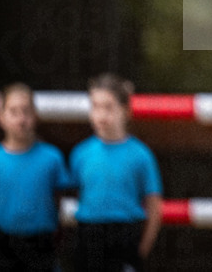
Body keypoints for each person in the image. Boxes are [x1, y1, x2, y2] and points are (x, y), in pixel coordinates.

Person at [0, 82, 72, 271]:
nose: (21, 119)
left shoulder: (52, 158)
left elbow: (57, 198)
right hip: (2, 245)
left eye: (26, 111)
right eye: (13, 111)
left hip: (41, 243)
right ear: (0, 117)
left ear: (35, 115)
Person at [69, 73, 162, 272]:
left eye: (108, 107)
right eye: (95, 106)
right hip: (88, 234)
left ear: (125, 110)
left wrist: (140, 252)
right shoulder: (80, 153)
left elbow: (154, 209)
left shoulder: (141, 155)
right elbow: (78, 194)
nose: (101, 115)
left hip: (125, 236)